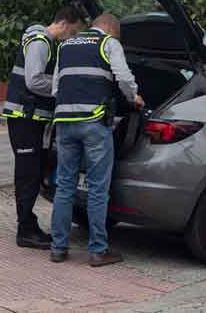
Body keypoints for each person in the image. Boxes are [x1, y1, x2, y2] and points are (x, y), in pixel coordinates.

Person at [49, 13, 144, 267]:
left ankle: (58, 249)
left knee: (65, 186)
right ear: (111, 29)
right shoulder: (108, 44)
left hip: (64, 123)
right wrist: (134, 98)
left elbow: (56, 88)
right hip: (93, 122)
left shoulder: (65, 46)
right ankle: (98, 251)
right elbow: (124, 78)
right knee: (98, 188)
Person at [2, 7, 84, 249]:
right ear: (66, 24)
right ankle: (25, 231)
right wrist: (64, 84)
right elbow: (34, 80)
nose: (73, 37)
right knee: (27, 174)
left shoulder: (45, 42)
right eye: (75, 31)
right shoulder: (40, 42)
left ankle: (28, 225)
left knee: (34, 172)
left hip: (30, 118)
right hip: (24, 117)